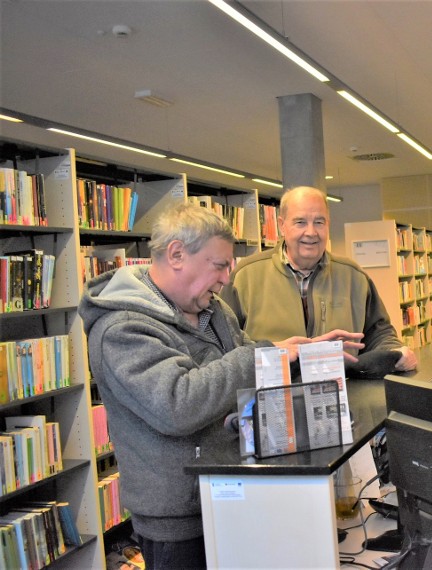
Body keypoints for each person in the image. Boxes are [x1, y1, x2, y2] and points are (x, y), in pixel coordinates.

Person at [78, 203, 363, 569]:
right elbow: (177, 404)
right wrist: (262, 355)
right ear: (177, 254)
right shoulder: (121, 330)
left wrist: (300, 357)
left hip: (232, 493)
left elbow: (248, 367)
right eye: (219, 265)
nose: (228, 278)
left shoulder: (214, 311)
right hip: (179, 520)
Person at [222, 185, 417, 372]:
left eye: (319, 222)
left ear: (328, 225)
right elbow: (226, 345)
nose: (311, 232)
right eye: (300, 222)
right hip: (272, 396)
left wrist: (395, 352)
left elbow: (379, 332)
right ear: (282, 225)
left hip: (343, 393)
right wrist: (274, 353)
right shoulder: (245, 276)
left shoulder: (353, 276)